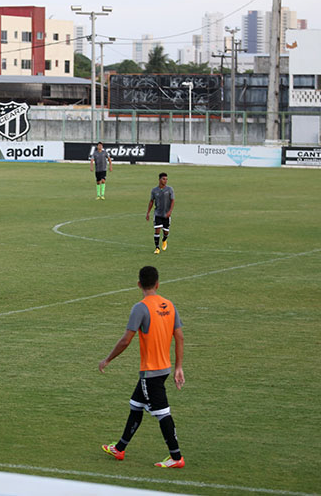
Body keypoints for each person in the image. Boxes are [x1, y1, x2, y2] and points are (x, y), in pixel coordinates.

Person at [98, 265, 185, 468]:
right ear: (157, 283)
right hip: (164, 368)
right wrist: (179, 367)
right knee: (135, 405)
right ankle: (119, 448)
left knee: (162, 413)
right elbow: (179, 336)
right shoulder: (169, 305)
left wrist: (108, 359)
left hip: (151, 372)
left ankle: (176, 457)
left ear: (139, 284)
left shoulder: (140, 308)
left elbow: (125, 340)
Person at [146, 172, 175, 254]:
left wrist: (170, 211)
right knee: (157, 230)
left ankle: (164, 239)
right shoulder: (154, 190)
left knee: (166, 232)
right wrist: (148, 213)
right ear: (159, 180)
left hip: (166, 214)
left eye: (166, 179)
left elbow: (172, 201)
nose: (165, 181)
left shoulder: (170, 189)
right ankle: (157, 247)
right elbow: (151, 201)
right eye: (163, 179)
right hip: (158, 214)